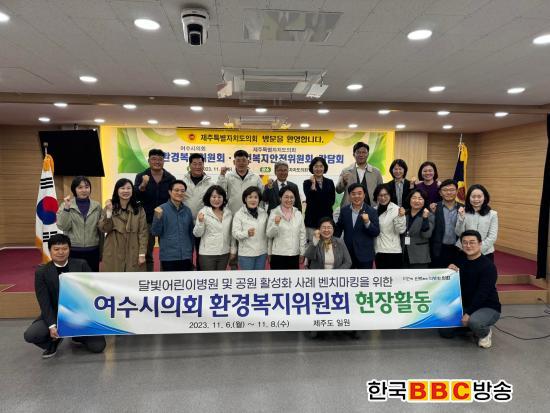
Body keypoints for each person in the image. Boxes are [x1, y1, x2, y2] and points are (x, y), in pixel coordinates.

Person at [24, 234, 106, 358]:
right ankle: (54, 341)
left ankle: (77, 336)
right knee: (31, 334)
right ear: (50, 250)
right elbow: (44, 302)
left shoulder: (81, 265)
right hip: (56, 314)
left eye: (64, 248)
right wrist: (52, 325)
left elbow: (92, 289)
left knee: (98, 347)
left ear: (69, 249)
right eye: (56, 249)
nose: (61, 252)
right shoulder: (42, 272)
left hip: (80, 315)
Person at [439, 230, 501, 349]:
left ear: (480, 244)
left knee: (475, 322)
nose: (468, 246)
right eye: (465, 242)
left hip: (487, 306)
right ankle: (472, 328)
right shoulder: (460, 259)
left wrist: (468, 313)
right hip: (465, 304)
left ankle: (485, 332)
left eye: (472, 242)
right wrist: (450, 269)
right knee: (445, 331)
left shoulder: (488, 266)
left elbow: (482, 294)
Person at [134, 149, 176, 271]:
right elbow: (135, 196)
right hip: (146, 220)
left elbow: (173, 198)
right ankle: (148, 277)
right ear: (149, 161)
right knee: (146, 252)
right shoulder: (141, 176)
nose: (157, 162)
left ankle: (164, 277)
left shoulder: (170, 178)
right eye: (154, 159)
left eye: (160, 159)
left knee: (166, 253)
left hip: (165, 220)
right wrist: (143, 185)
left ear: (163, 161)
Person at [98, 178, 148, 272]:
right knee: (113, 277)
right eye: (122, 188)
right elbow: (104, 229)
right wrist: (109, 212)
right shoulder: (109, 207)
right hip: (113, 249)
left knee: (132, 277)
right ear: (117, 190)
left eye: (128, 188)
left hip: (133, 248)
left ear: (132, 190)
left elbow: (143, 233)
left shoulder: (139, 209)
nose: (126, 191)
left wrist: (142, 254)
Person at [56, 176, 101, 271]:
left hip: (93, 250)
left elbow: (101, 229)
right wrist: (67, 209)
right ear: (74, 189)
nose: (84, 190)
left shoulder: (97, 206)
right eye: (80, 187)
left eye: (87, 187)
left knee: (92, 277)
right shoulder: (65, 205)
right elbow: (63, 226)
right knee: (75, 278)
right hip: (73, 250)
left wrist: (102, 250)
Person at [151, 180, 194, 271]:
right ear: (170, 192)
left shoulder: (187, 211)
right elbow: (155, 232)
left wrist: (190, 252)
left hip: (186, 256)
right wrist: (158, 218)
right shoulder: (161, 209)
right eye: (176, 190)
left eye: (182, 191)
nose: (180, 193)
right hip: (168, 257)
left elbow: (191, 233)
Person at [335, 183, 380, 269]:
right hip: (347, 254)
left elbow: (376, 232)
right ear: (349, 196)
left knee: (365, 278)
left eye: (359, 193)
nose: (356, 196)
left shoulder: (372, 211)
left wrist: (367, 222)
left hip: (365, 255)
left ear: (364, 195)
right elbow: (338, 229)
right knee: (348, 277)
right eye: (353, 194)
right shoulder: (344, 211)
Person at [182, 153, 214, 269]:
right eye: (194, 164)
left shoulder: (210, 183)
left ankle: (201, 275)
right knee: (186, 253)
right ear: (190, 165)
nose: (197, 166)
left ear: (203, 165)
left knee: (202, 253)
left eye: (200, 164)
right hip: (185, 223)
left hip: (203, 223)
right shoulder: (182, 182)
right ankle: (188, 274)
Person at [193, 185, 236, 271]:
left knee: (221, 277)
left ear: (223, 198)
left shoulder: (228, 212)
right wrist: (200, 222)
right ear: (208, 198)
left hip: (224, 253)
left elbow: (231, 234)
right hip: (207, 254)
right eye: (213, 197)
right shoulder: (203, 212)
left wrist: (233, 250)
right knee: (209, 278)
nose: (217, 199)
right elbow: (197, 234)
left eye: (219, 197)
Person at [455, 184, 498, 262]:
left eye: (479, 196)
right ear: (469, 198)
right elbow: (459, 233)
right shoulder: (462, 211)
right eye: (473, 196)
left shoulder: (492, 214)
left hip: (485, 252)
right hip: (464, 251)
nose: (476, 199)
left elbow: (492, 237)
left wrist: (477, 250)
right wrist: (461, 218)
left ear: (485, 197)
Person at [266, 187, 306, 270]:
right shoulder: (274, 213)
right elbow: (269, 235)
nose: (289, 200)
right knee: (277, 278)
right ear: (280, 198)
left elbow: (302, 235)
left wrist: (302, 252)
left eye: (292, 197)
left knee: (293, 278)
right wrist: (276, 224)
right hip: (278, 254)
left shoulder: (298, 214)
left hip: (294, 254)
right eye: (286, 197)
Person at [336, 142, 383, 208]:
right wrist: (343, 182)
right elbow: (338, 190)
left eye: (364, 152)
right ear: (353, 154)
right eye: (358, 152)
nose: (361, 155)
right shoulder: (346, 171)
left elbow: (381, 191)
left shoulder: (376, 172)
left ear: (368, 154)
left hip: (371, 208)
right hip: (349, 209)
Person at [232, 186, 269, 270]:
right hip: (246, 254)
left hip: (261, 253)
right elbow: (235, 233)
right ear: (245, 199)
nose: (253, 200)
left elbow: (267, 232)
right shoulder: (239, 214)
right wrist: (246, 233)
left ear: (259, 199)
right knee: (248, 278)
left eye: (256, 197)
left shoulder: (263, 213)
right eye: (250, 197)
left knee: (259, 277)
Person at [217, 149, 264, 215]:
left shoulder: (256, 177)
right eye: (238, 160)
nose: (241, 163)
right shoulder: (228, 176)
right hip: (232, 213)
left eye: (244, 160)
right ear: (234, 162)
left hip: (251, 214)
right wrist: (222, 175)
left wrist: (261, 212)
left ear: (248, 162)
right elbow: (220, 191)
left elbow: (261, 196)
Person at [430, 179, 463, 268]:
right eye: (445, 190)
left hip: (458, 249)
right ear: (440, 193)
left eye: (452, 190)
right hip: (438, 249)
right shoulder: (434, 208)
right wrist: (432, 213)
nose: (448, 192)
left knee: (456, 274)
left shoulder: (463, 208)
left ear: (457, 191)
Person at [303, 157, 336, 242]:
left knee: (327, 246)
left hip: (327, 221)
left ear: (324, 167)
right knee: (313, 245)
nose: (318, 169)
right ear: (312, 168)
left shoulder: (330, 182)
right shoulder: (307, 183)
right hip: (312, 221)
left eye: (321, 166)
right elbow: (310, 200)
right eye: (316, 166)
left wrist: (318, 198)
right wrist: (313, 184)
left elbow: (332, 201)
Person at [373, 184, 406, 269]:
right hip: (378, 251)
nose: (383, 198)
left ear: (390, 195)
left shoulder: (397, 209)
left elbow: (401, 230)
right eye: (380, 195)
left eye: (385, 195)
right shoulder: (374, 209)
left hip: (393, 251)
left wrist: (400, 217)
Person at [402, 189, 435, 269]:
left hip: (420, 256)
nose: (416, 201)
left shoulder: (429, 215)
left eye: (420, 199)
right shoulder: (404, 213)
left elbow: (426, 235)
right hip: (403, 254)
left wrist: (425, 218)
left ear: (424, 201)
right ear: (409, 199)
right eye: (414, 198)